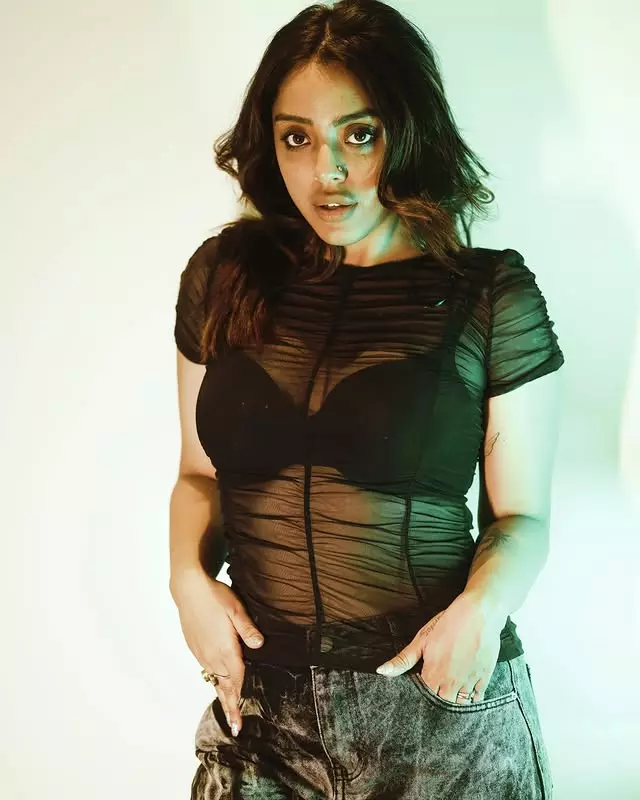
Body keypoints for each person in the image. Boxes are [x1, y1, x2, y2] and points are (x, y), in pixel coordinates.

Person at [169, 1, 564, 797]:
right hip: (261, 713)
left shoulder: (489, 296)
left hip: (439, 708)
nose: (328, 172)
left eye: (359, 134)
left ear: (406, 132)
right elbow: (199, 474)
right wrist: (186, 580)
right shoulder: (223, 279)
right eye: (298, 138)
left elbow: (520, 517)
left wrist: (481, 612)